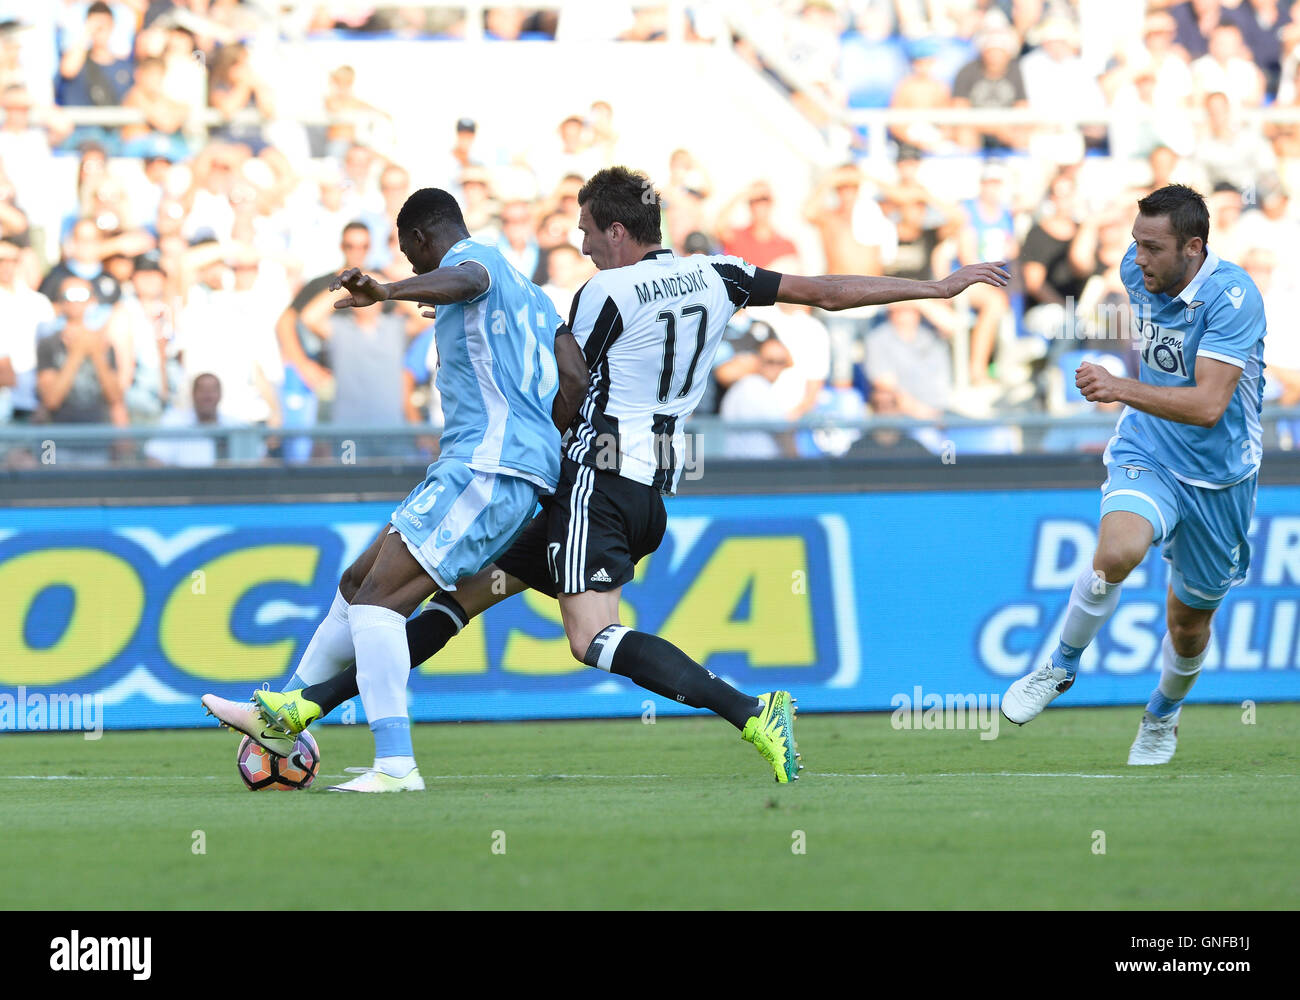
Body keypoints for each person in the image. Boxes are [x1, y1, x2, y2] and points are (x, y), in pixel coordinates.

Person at [220, 167, 1009, 787]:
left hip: (590, 484)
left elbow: (569, 379)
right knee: (460, 595)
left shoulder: (604, 292)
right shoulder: (720, 273)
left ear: (621, 232)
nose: (584, 245)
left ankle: (750, 709)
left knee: (588, 636)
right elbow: (827, 294)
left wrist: (530, 430)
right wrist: (934, 287)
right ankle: (299, 708)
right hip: (647, 490)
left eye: (590, 231)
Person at [203, 186, 589, 792]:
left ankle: (396, 764)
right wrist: (543, 439)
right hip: (479, 465)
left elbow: (465, 279)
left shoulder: (477, 262)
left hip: (488, 468)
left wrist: (386, 291)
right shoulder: (536, 298)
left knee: (380, 603)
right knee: (358, 582)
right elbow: (575, 372)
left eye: (410, 256)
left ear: (417, 239)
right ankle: (281, 715)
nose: (411, 266)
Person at [1000, 185, 1267, 766]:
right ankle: (1061, 665)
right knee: (1117, 553)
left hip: (1220, 479)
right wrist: (1132, 383)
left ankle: (1162, 715)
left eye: (1152, 247)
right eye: (1135, 243)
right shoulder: (1135, 270)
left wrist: (1120, 386)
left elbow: (1206, 407)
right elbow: (1153, 344)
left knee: (1188, 626)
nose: (1137, 257)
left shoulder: (1234, 298)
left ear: (1193, 248)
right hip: (1148, 450)